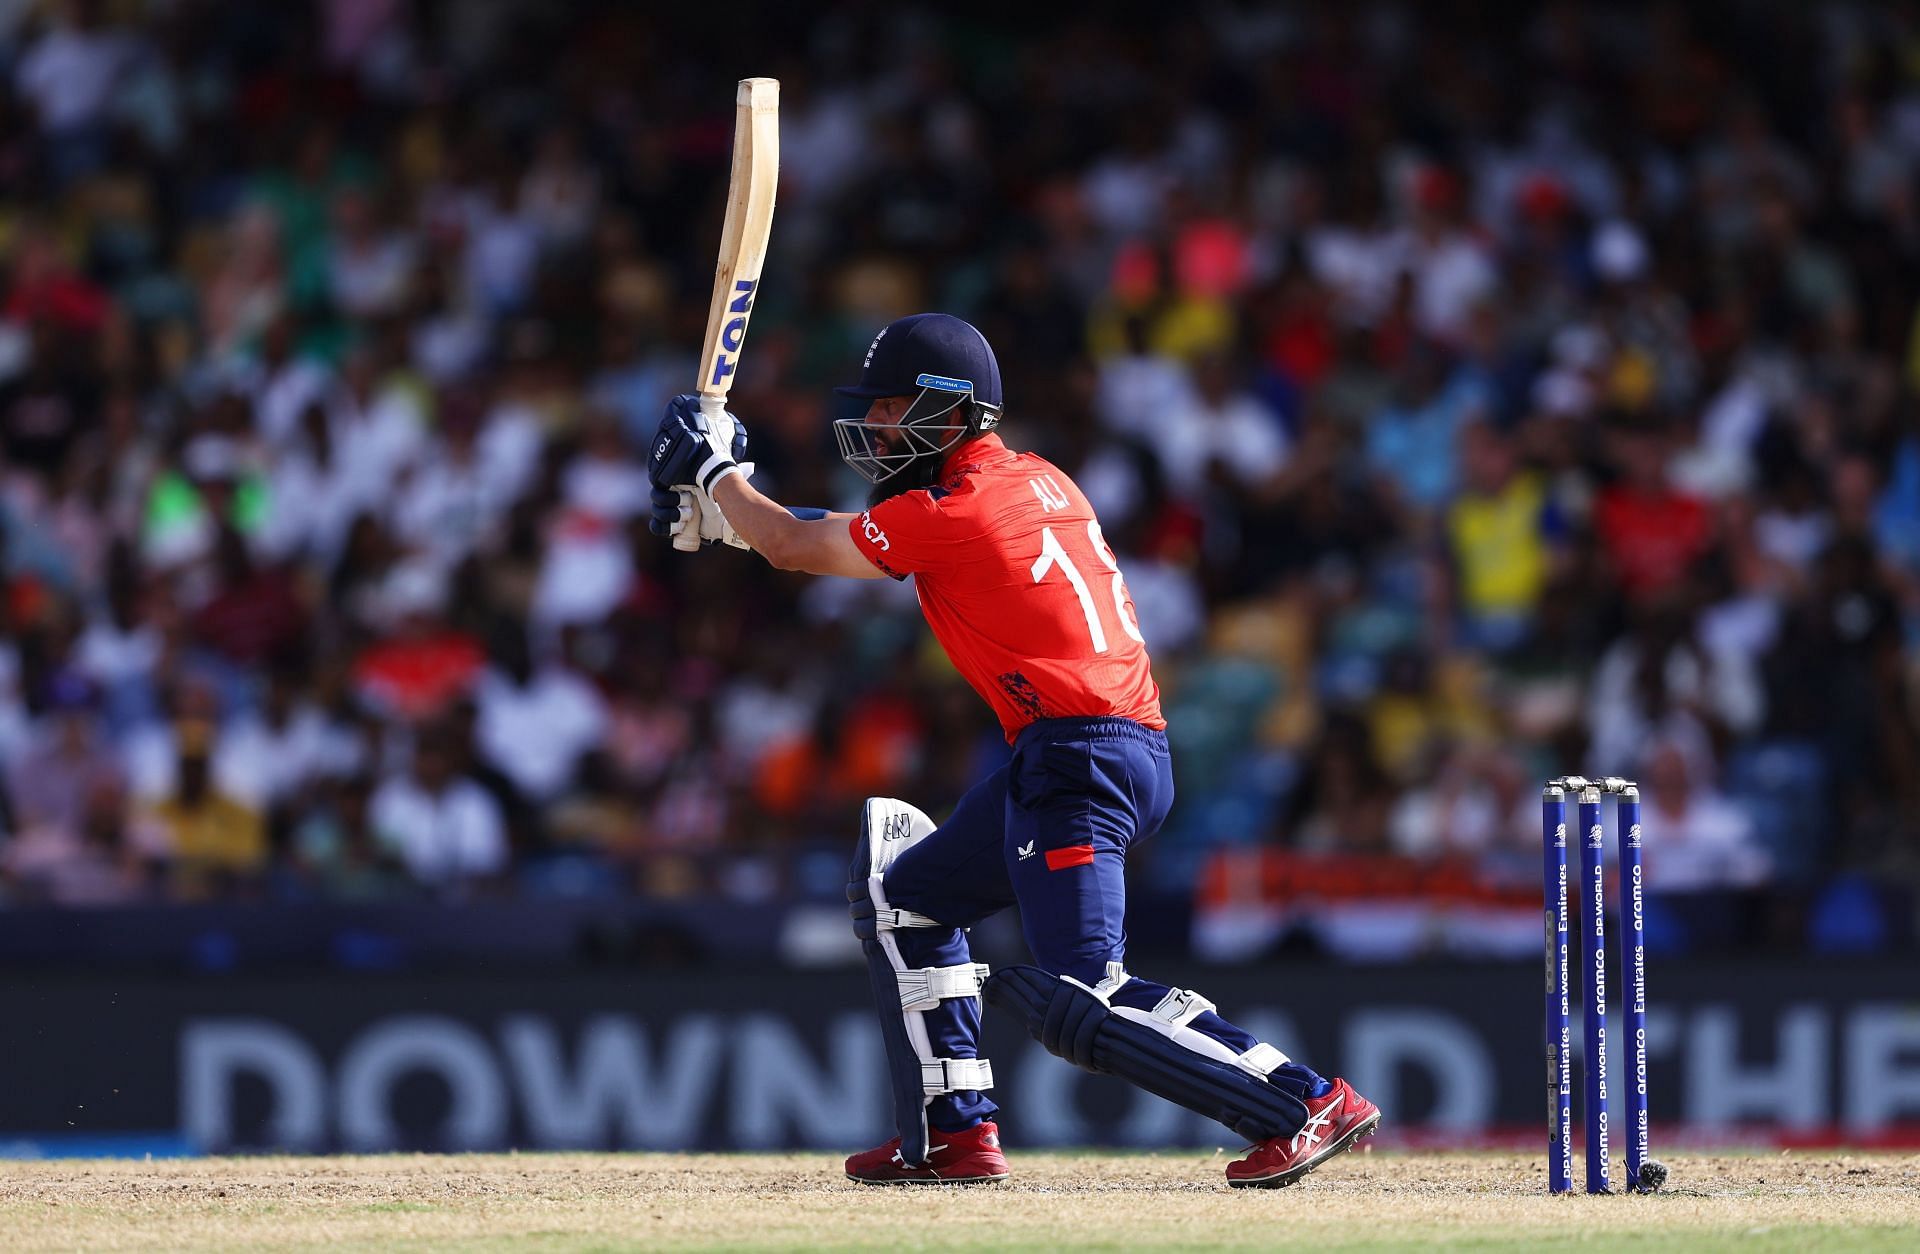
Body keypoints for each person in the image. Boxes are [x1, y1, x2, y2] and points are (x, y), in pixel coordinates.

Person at [648, 313, 1378, 1187]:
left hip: (1082, 762)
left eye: (893, 410)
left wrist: (719, 474)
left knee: (1083, 995)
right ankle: (950, 1133)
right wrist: (726, 505)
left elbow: (795, 542)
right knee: (905, 900)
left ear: (954, 413)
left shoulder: (954, 511)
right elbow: (822, 534)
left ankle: (1303, 1101)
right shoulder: (1034, 481)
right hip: (1094, 750)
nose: (877, 430)